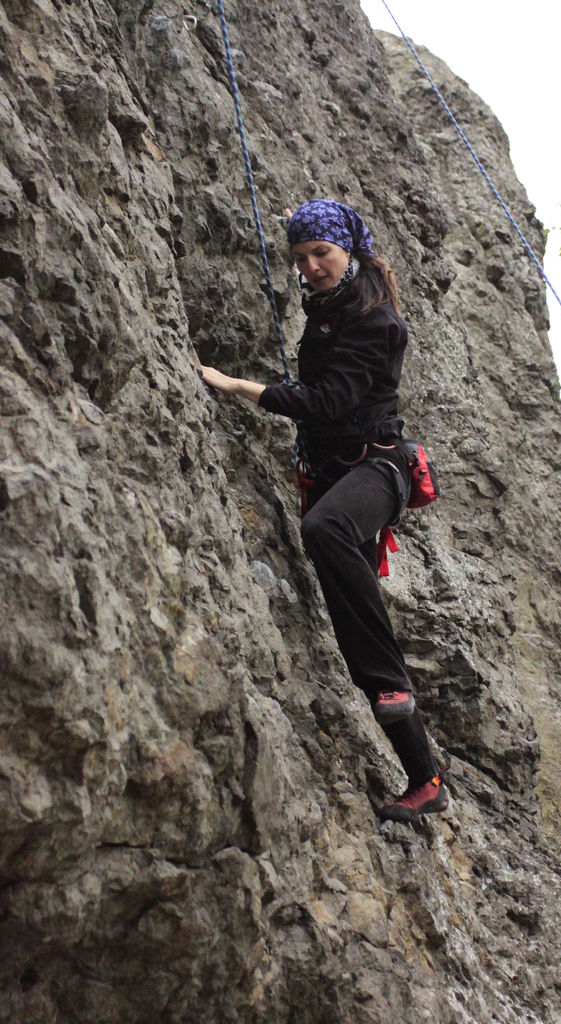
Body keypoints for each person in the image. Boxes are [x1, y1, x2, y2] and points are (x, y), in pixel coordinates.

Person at [201, 199, 448, 823]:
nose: (310, 267)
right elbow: (325, 248)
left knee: (324, 529)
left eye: (323, 255)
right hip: (340, 472)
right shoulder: (334, 304)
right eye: (301, 258)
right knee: (351, 636)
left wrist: (239, 387)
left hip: (380, 467)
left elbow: (333, 400)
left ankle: (389, 677)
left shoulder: (377, 321)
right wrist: (302, 222)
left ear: (350, 253)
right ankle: (425, 777)